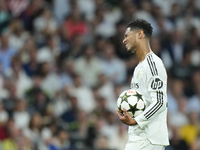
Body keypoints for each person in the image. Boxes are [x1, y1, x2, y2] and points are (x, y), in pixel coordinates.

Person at [115, 19, 169, 150]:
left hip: (149, 138)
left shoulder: (153, 63)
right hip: (140, 138)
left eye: (127, 36)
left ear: (140, 34)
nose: (124, 40)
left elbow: (160, 102)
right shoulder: (139, 67)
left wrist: (136, 121)